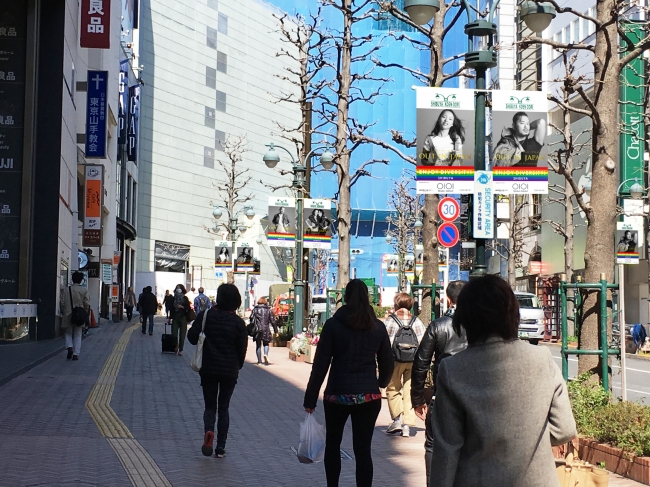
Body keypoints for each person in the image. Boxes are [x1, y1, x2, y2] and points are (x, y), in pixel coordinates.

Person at [429, 275, 576, 487]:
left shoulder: (453, 370)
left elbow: (446, 450)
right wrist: (526, 438)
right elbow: (565, 429)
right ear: (512, 314)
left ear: (465, 319)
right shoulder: (542, 358)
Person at [304, 279, 394, 487]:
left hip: (337, 394)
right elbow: (387, 363)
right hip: (368, 396)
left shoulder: (333, 325)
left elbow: (320, 365)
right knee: (363, 450)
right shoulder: (377, 327)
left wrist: (310, 398)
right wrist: (380, 382)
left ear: (345, 297)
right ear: (367, 298)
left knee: (333, 445)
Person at [410, 280, 467, 484]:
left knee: (433, 445)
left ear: (449, 300)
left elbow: (420, 364)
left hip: (443, 396)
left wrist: (417, 399)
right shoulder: (481, 326)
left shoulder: (438, 326)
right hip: (475, 396)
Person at [188, 283, 248, 459]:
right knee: (224, 407)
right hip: (229, 370)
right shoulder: (238, 323)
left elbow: (192, 338)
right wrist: (238, 365)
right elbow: (242, 349)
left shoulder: (206, 316)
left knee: (209, 406)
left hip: (208, 369)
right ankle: (221, 447)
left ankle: (208, 432)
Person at [383, 293, 426, 438]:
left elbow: (385, 341)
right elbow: (423, 342)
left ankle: (396, 420)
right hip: (413, 361)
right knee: (409, 391)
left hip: (394, 360)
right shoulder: (417, 321)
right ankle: (407, 425)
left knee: (393, 388)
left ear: (396, 305)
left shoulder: (391, 321)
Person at [60, 271, 90, 361]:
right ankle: (76, 354)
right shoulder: (84, 290)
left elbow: (62, 302)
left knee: (68, 332)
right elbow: (87, 304)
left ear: (72, 279)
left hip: (68, 314)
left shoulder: (66, 290)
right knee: (78, 334)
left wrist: (63, 311)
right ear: (81, 280)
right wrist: (84, 311)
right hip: (79, 315)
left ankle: (69, 346)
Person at [250, 297, 278, 365]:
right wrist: (276, 331)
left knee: (258, 345)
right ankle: (265, 354)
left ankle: (259, 361)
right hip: (266, 328)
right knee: (266, 343)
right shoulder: (268, 310)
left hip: (257, 329)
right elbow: (273, 321)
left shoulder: (255, 309)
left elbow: (251, 318)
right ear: (266, 302)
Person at [171, 284, 191, 356]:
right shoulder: (173, 298)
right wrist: (170, 318)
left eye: (179, 288)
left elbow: (188, 308)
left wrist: (182, 307)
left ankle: (181, 349)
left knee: (182, 335)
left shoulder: (185, 298)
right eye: (177, 288)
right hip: (175, 316)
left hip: (183, 317)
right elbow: (171, 308)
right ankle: (176, 345)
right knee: (174, 333)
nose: (178, 289)